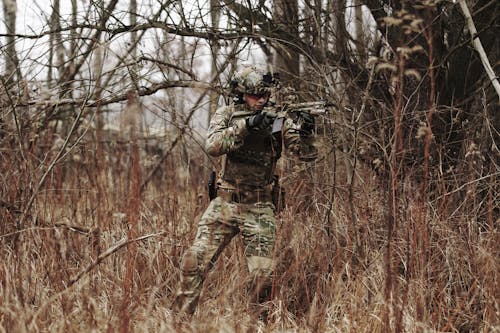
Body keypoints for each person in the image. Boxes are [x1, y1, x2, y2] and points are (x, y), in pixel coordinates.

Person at [173, 65, 317, 317]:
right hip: (224, 203)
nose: (262, 100)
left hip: (259, 206)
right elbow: (213, 145)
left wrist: (305, 133)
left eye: (265, 95)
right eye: (255, 95)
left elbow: (305, 155)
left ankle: (259, 324)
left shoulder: (278, 119)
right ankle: (179, 320)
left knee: (263, 277)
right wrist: (247, 126)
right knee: (193, 261)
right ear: (241, 93)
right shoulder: (228, 114)